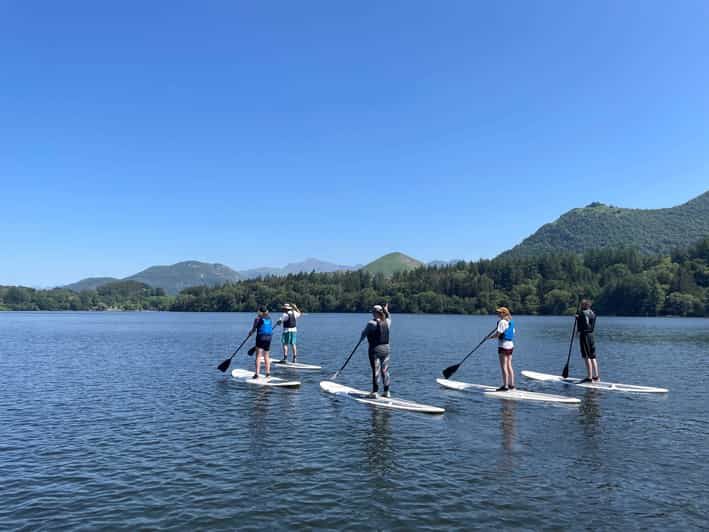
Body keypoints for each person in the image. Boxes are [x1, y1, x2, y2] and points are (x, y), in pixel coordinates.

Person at [361, 303, 391, 398]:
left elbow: (363, 334)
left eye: (373, 312)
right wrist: (387, 311)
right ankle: (387, 392)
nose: (372, 314)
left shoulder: (371, 323)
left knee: (376, 371)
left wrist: (363, 336)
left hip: (375, 350)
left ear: (375, 313)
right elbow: (389, 316)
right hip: (386, 350)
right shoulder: (388, 322)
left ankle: (374, 392)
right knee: (385, 371)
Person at [488, 306, 515, 391]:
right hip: (510, 345)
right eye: (498, 312)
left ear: (504, 313)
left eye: (500, 312)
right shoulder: (510, 321)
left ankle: (505, 386)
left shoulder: (502, 322)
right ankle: (512, 385)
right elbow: (513, 332)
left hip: (503, 345)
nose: (498, 314)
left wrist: (490, 337)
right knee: (509, 365)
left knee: (504, 366)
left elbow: (498, 334)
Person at [576, 299, 599, 382]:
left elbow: (584, 324)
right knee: (593, 356)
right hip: (591, 336)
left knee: (587, 356)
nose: (581, 306)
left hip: (585, 336)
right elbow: (589, 325)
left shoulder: (582, 313)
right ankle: (596, 376)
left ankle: (589, 377)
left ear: (585, 305)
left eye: (582, 305)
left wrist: (578, 318)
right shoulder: (593, 313)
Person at [248, 306, 273, 378]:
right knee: (266, 356)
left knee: (258, 356)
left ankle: (257, 374)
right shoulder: (269, 318)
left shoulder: (257, 319)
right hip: (269, 338)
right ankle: (268, 374)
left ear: (260, 312)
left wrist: (250, 333)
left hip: (261, 337)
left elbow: (253, 329)